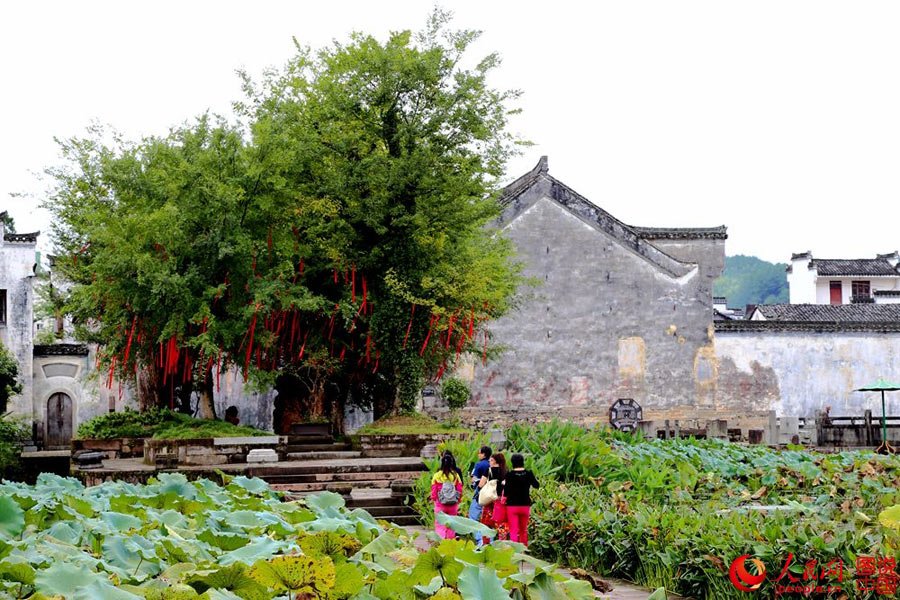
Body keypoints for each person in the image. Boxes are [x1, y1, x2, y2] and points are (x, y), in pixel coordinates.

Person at [502, 453, 540, 545]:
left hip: (512, 505)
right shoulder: (529, 473)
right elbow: (536, 485)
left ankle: (515, 551)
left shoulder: (509, 474)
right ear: (523, 462)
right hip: (525, 505)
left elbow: (506, 491)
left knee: (513, 530)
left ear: (512, 462)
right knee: (523, 530)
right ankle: (524, 550)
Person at [431, 452, 464, 539]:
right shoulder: (455, 475)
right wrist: (458, 499)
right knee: (452, 524)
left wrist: (434, 499)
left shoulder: (437, 475)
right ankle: (450, 539)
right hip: (453, 504)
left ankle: (441, 539)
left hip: (440, 504)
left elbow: (434, 490)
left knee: (440, 523)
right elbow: (460, 489)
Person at [478, 452, 508, 545]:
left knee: (486, 523)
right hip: (500, 501)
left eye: (491, 460)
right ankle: (502, 544)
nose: (489, 462)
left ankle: (486, 544)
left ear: (495, 461)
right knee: (501, 523)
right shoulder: (505, 471)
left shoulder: (489, 470)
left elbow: (481, 484)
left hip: (489, 501)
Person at [467, 446, 492, 522]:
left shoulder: (479, 465)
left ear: (484, 454)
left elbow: (473, 479)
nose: (478, 455)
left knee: (474, 515)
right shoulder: (492, 464)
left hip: (480, 492)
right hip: (491, 493)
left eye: (479, 453)